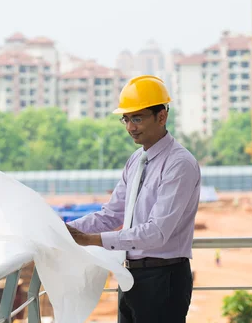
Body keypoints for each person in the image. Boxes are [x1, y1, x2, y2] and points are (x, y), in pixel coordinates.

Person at [66, 75, 201, 323]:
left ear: (162, 116)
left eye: (137, 118)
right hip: (130, 277)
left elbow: (157, 233)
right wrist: (65, 229)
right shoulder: (137, 160)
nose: (130, 127)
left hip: (163, 279)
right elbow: (111, 214)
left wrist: (91, 240)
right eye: (126, 119)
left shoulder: (179, 164)